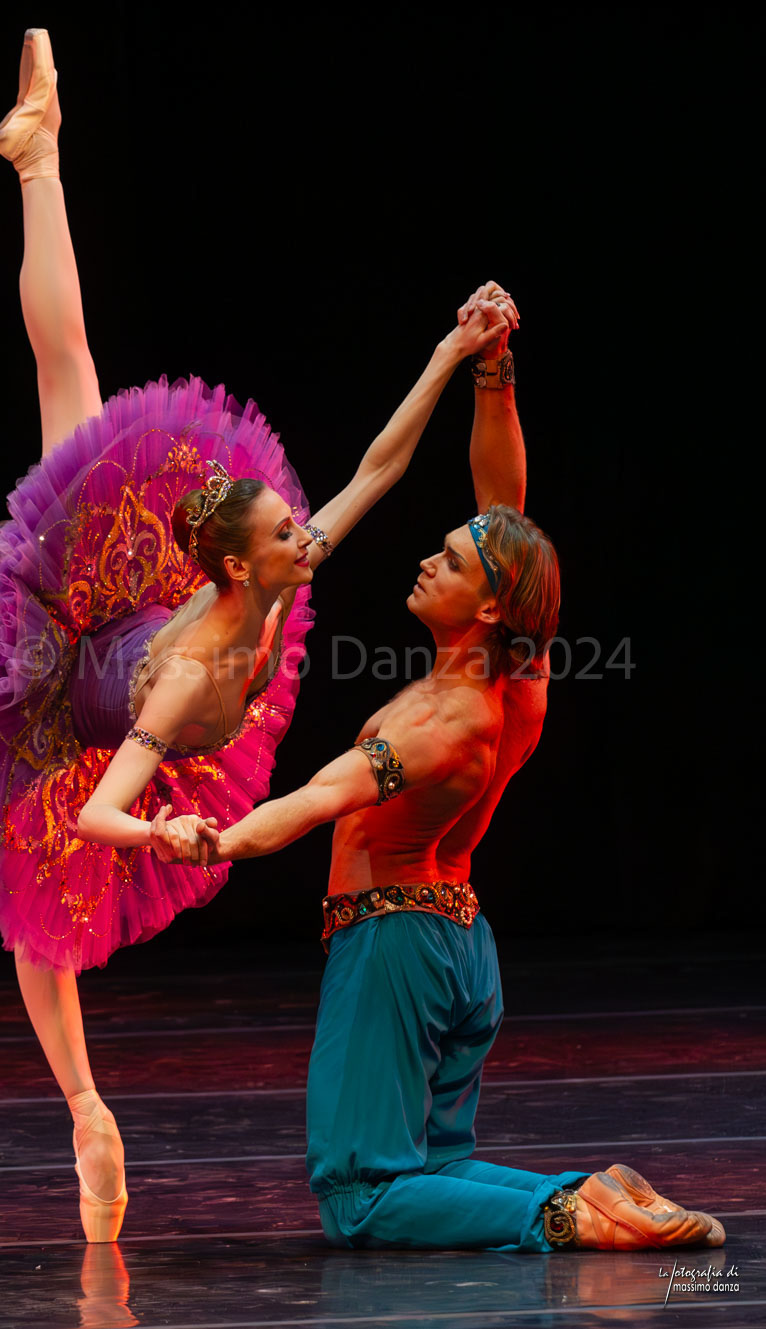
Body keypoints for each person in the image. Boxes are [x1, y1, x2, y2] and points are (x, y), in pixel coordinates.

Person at [0, 29, 514, 1243]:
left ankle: (41, 158)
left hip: (134, 623)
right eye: (284, 531)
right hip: (83, 686)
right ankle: (87, 1107)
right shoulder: (196, 663)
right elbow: (100, 816)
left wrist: (451, 352)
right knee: (37, 905)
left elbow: (375, 467)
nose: (306, 538)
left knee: (71, 373)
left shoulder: (270, 573)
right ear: (244, 564)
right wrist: (173, 831)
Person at [158, 290, 726, 1254]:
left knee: (361, 1192)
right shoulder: (519, 670)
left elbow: (311, 802)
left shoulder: (438, 720)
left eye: (452, 561)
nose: (429, 558)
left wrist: (211, 839)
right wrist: (493, 366)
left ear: (489, 604)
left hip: (397, 949)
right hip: (463, 947)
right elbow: (503, 505)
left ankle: (565, 1209)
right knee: (436, 1165)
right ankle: (588, 1191)